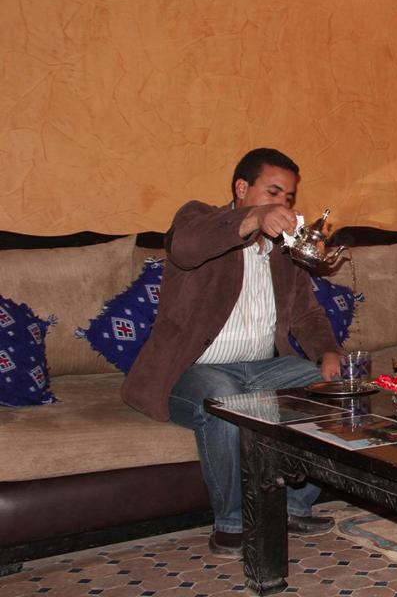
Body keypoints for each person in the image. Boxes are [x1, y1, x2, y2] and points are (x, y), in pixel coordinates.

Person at [122, 148, 342, 557]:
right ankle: (231, 523)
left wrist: (328, 353)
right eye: (272, 193)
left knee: (332, 394)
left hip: (261, 368)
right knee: (227, 399)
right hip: (192, 371)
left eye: (288, 197)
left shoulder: (284, 249)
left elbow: (306, 313)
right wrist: (254, 219)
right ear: (242, 188)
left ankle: (294, 507)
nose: (282, 205)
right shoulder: (199, 219)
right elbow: (185, 246)